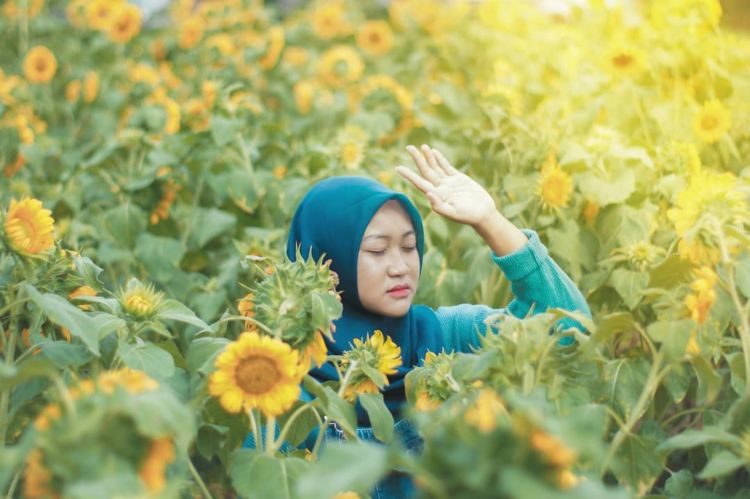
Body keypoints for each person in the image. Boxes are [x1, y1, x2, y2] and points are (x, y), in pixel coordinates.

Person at [246, 144, 592, 498]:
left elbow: (567, 328)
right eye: (378, 250)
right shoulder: (279, 383)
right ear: (327, 262)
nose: (400, 267)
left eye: (409, 247)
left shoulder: (444, 336)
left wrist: (490, 221)